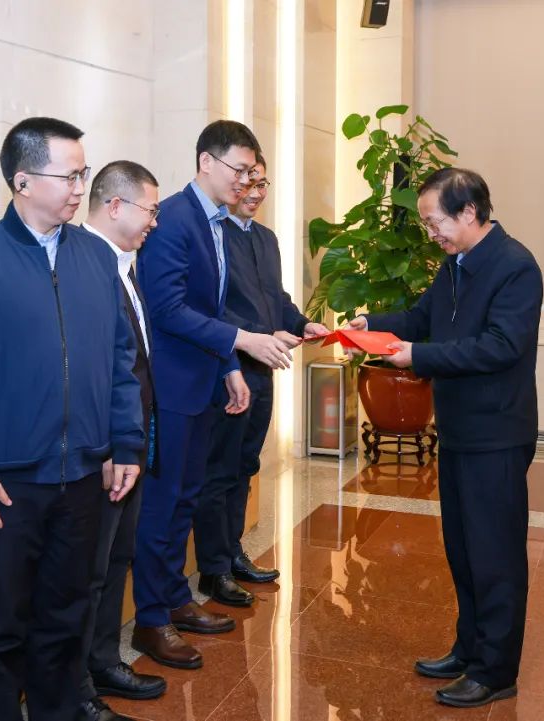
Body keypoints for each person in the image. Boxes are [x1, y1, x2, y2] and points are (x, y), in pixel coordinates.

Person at [0, 117, 143, 721]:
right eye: (69, 175)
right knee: (3, 628)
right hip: (5, 485)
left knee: (66, 617)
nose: (81, 188)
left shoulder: (95, 258)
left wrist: (124, 443)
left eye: (83, 173)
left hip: (84, 477)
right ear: (21, 180)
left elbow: (119, 357)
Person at [350, 167, 542, 709]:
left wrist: (420, 357)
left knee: (495, 555)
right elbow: (420, 317)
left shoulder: (516, 267)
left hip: (497, 433)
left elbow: (500, 346)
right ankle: (469, 649)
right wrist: (369, 324)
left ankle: (495, 670)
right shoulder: (455, 264)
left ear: (469, 212)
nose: (431, 233)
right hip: (458, 430)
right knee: (463, 548)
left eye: (435, 222)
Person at [131, 120, 292, 669]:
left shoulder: (217, 222)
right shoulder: (175, 219)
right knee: (164, 504)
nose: (246, 181)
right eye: (239, 170)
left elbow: (212, 307)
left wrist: (228, 368)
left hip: (204, 382)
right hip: (174, 387)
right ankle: (151, 618)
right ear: (206, 162)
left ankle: (176, 598)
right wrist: (242, 342)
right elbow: (168, 310)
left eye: (252, 173)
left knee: (186, 498)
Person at [194, 154, 329, 606]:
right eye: (247, 182)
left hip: (264, 371)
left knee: (245, 465)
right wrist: (257, 336)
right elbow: (213, 309)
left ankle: (233, 552)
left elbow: (277, 299)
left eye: (262, 183)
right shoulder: (214, 236)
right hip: (228, 368)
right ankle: (213, 569)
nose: (254, 193)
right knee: (218, 471)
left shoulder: (267, 239)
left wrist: (302, 323)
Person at [76, 161, 167, 721]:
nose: (154, 221)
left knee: (116, 559)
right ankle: (78, 684)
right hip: (103, 450)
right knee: (88, 570)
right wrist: (115, 445)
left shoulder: (124, 266)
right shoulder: (84, 266)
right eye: (150, 210)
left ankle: (104, 659)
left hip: (131, 441)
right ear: (114, 206)